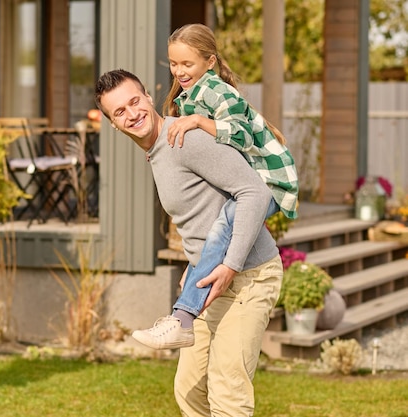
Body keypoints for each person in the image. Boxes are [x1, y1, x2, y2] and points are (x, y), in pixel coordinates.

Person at [95, 69, 283, 416]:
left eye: (134, 101)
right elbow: (206, 212)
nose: (132, 114)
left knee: (227, 389)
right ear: (112, 124)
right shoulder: (158, 151)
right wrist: (194, 261)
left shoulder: (185, 139)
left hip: (248, 276)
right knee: (189, 390)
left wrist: (230, 265)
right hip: (208, 280)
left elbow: (254, 191)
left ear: (149, 97)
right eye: (119, 112)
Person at [132, 23, 298, 349]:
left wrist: (196, 121)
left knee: (222, 227)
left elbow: (242, 135)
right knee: (218, 228)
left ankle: (181, 318)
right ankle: (183, 315)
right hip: (254, 179)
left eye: (187, 64)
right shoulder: (189, 95)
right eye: (174, 64)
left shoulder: (217, 92)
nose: (179, 71)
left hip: (272, 179)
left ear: (209, 62)